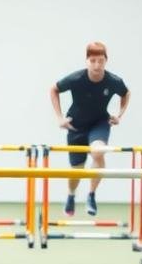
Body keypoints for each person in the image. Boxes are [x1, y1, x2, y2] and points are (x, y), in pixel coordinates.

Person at [49, 42, 130, 216]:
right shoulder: (76, 79)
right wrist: (59, 117)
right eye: (93, 60)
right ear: (87, 61)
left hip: (99, 123)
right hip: (75, 126)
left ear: (106, 61)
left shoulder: (113, 81)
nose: (97, 65)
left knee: (98, 152)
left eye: (100, 61)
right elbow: (54, 89)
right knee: (76, 171)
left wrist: (119, 114)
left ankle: (91, 195)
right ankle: (71, 195)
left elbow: (126, 93)